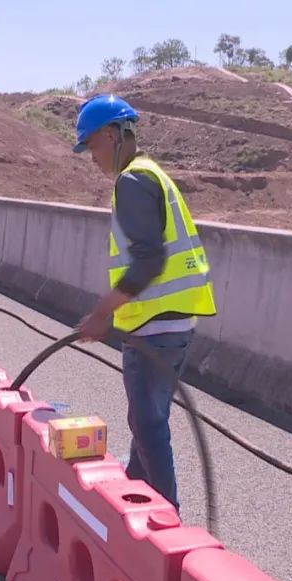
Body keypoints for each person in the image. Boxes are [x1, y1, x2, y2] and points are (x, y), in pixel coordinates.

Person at [73, 94, 218, 513]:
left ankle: (165, 517)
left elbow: (150, 259)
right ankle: (136, 486)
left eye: (92, 146)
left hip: (154, 326)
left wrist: (103, 313)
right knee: (147, 418)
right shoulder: (152, 173)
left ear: (113, 134)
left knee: (148, 423)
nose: (93, 158)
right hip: (174, 322)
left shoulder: (133, 180)